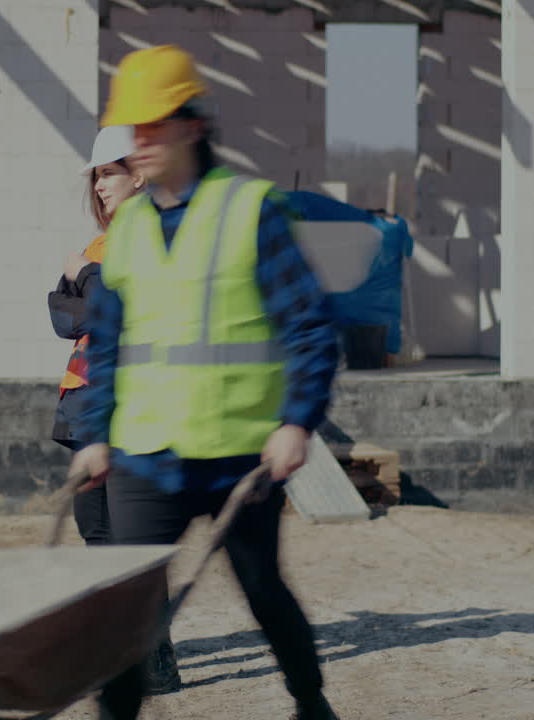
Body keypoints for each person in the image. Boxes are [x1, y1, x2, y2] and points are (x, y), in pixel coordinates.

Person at [68, 46, 341, 720]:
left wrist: (296, 421)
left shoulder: (251, 209)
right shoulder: (127, 228)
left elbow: (310, 325)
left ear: (193, 124)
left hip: (236, 455)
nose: (141, 143)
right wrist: (94, 434)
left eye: (153, 125)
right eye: (133, 130)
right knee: (127, 609)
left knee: (264, 592)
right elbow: (104, 345)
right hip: (143, 454)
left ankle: (311, 703)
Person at [46, 126, 181, 695]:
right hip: (85, 405)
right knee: (95, 531)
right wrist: (89, 287)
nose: (100, 185)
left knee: (134, 539)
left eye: (109, 172)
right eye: (97, 176)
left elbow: (117, 310)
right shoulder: (101, 244)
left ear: (140, 173)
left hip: (132, 405)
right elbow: (59, 316)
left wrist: (85, 279)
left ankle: (156, 664)